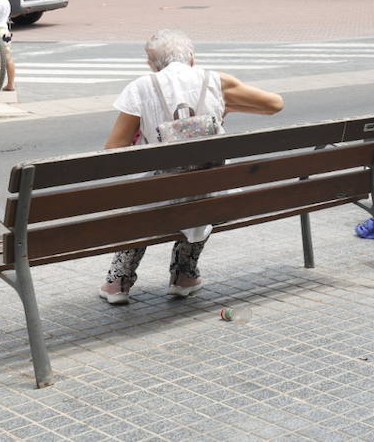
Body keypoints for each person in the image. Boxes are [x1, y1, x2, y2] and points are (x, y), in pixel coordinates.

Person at [97, 29, 284, 304]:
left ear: (153, 64)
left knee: (143, 196)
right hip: (214, 196)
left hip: (157, 200)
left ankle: (119, 282)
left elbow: (113, 150)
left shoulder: (141, 87)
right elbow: (274, 104)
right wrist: (223, 107)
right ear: (192, 59)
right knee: (202, 189)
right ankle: (184, 275)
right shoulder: (217, 82)